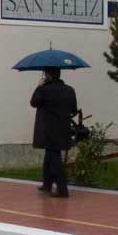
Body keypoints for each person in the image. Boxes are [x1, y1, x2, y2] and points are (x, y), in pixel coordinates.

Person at [29, 67, 77, 198]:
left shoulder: (44, 90)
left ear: (48, 75)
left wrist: (39, 86)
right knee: (49, 157)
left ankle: (63, 190)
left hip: (49, 130)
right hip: (64, 129)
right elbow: (74, 109)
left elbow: (33, 102)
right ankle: (47, 184)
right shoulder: (69, 89)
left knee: (55, 160)